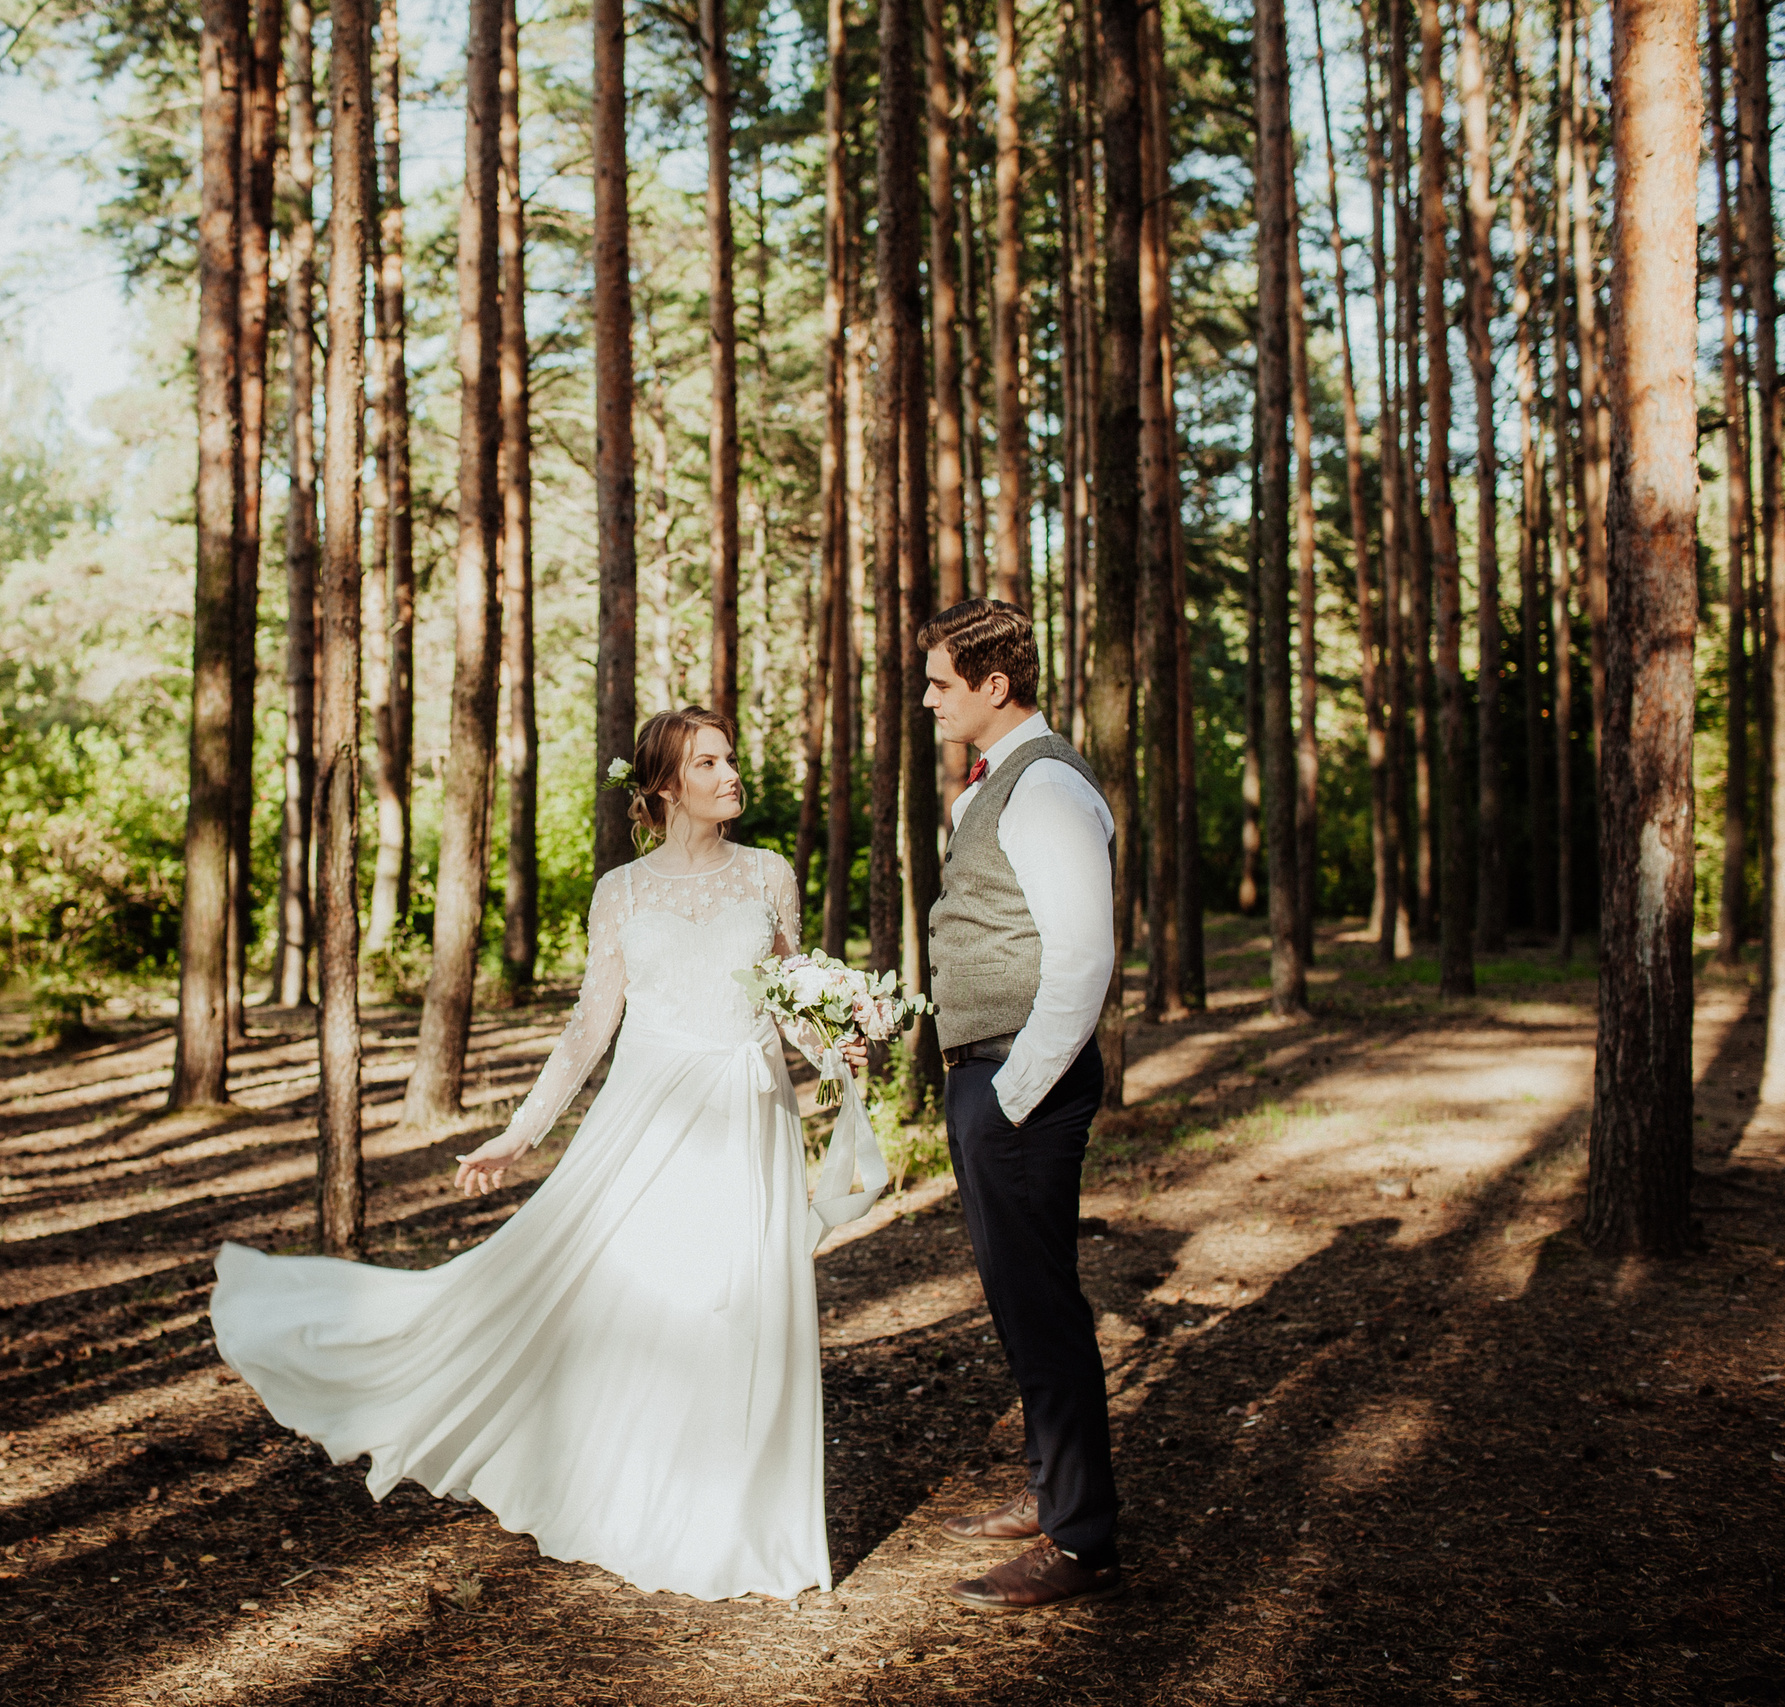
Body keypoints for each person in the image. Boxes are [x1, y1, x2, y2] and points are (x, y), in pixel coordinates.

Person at [211, 707, 863, 1602]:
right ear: (667, 786)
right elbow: (591, 1026)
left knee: (743, 1306)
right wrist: (522, 1131)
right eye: (707, 761)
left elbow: (793, 1000)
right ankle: (648, 1501)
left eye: (731, 757)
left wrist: (841, 1046)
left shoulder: (770, 875)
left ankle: (740, 1522)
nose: (730, 772)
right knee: (661, 1302)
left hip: (750, 1118)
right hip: (651, 1124)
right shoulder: (621, 892)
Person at [884, 596, 1125, 1610]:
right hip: (985, 1072)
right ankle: (1047, 1492)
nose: (928, 699)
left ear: (993, 685)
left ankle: (1078, 1543)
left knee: (1043, 1309)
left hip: (1019, 1083)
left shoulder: (1046, 790)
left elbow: (1083, 957)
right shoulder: (991, 786)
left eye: (941, 682)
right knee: (1023, 1302)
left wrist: (1011, 1099)